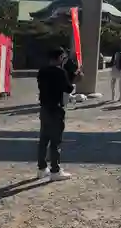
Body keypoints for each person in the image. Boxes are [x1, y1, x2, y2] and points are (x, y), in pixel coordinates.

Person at [37, 47, 74, 181]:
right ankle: (55, 170)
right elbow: (68, 88)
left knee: (43, 140)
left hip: (44, 107)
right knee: (55, 141)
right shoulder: (60, 72)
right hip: (56, 109)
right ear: (59, 57)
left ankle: (42, 168)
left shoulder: (42, 71)